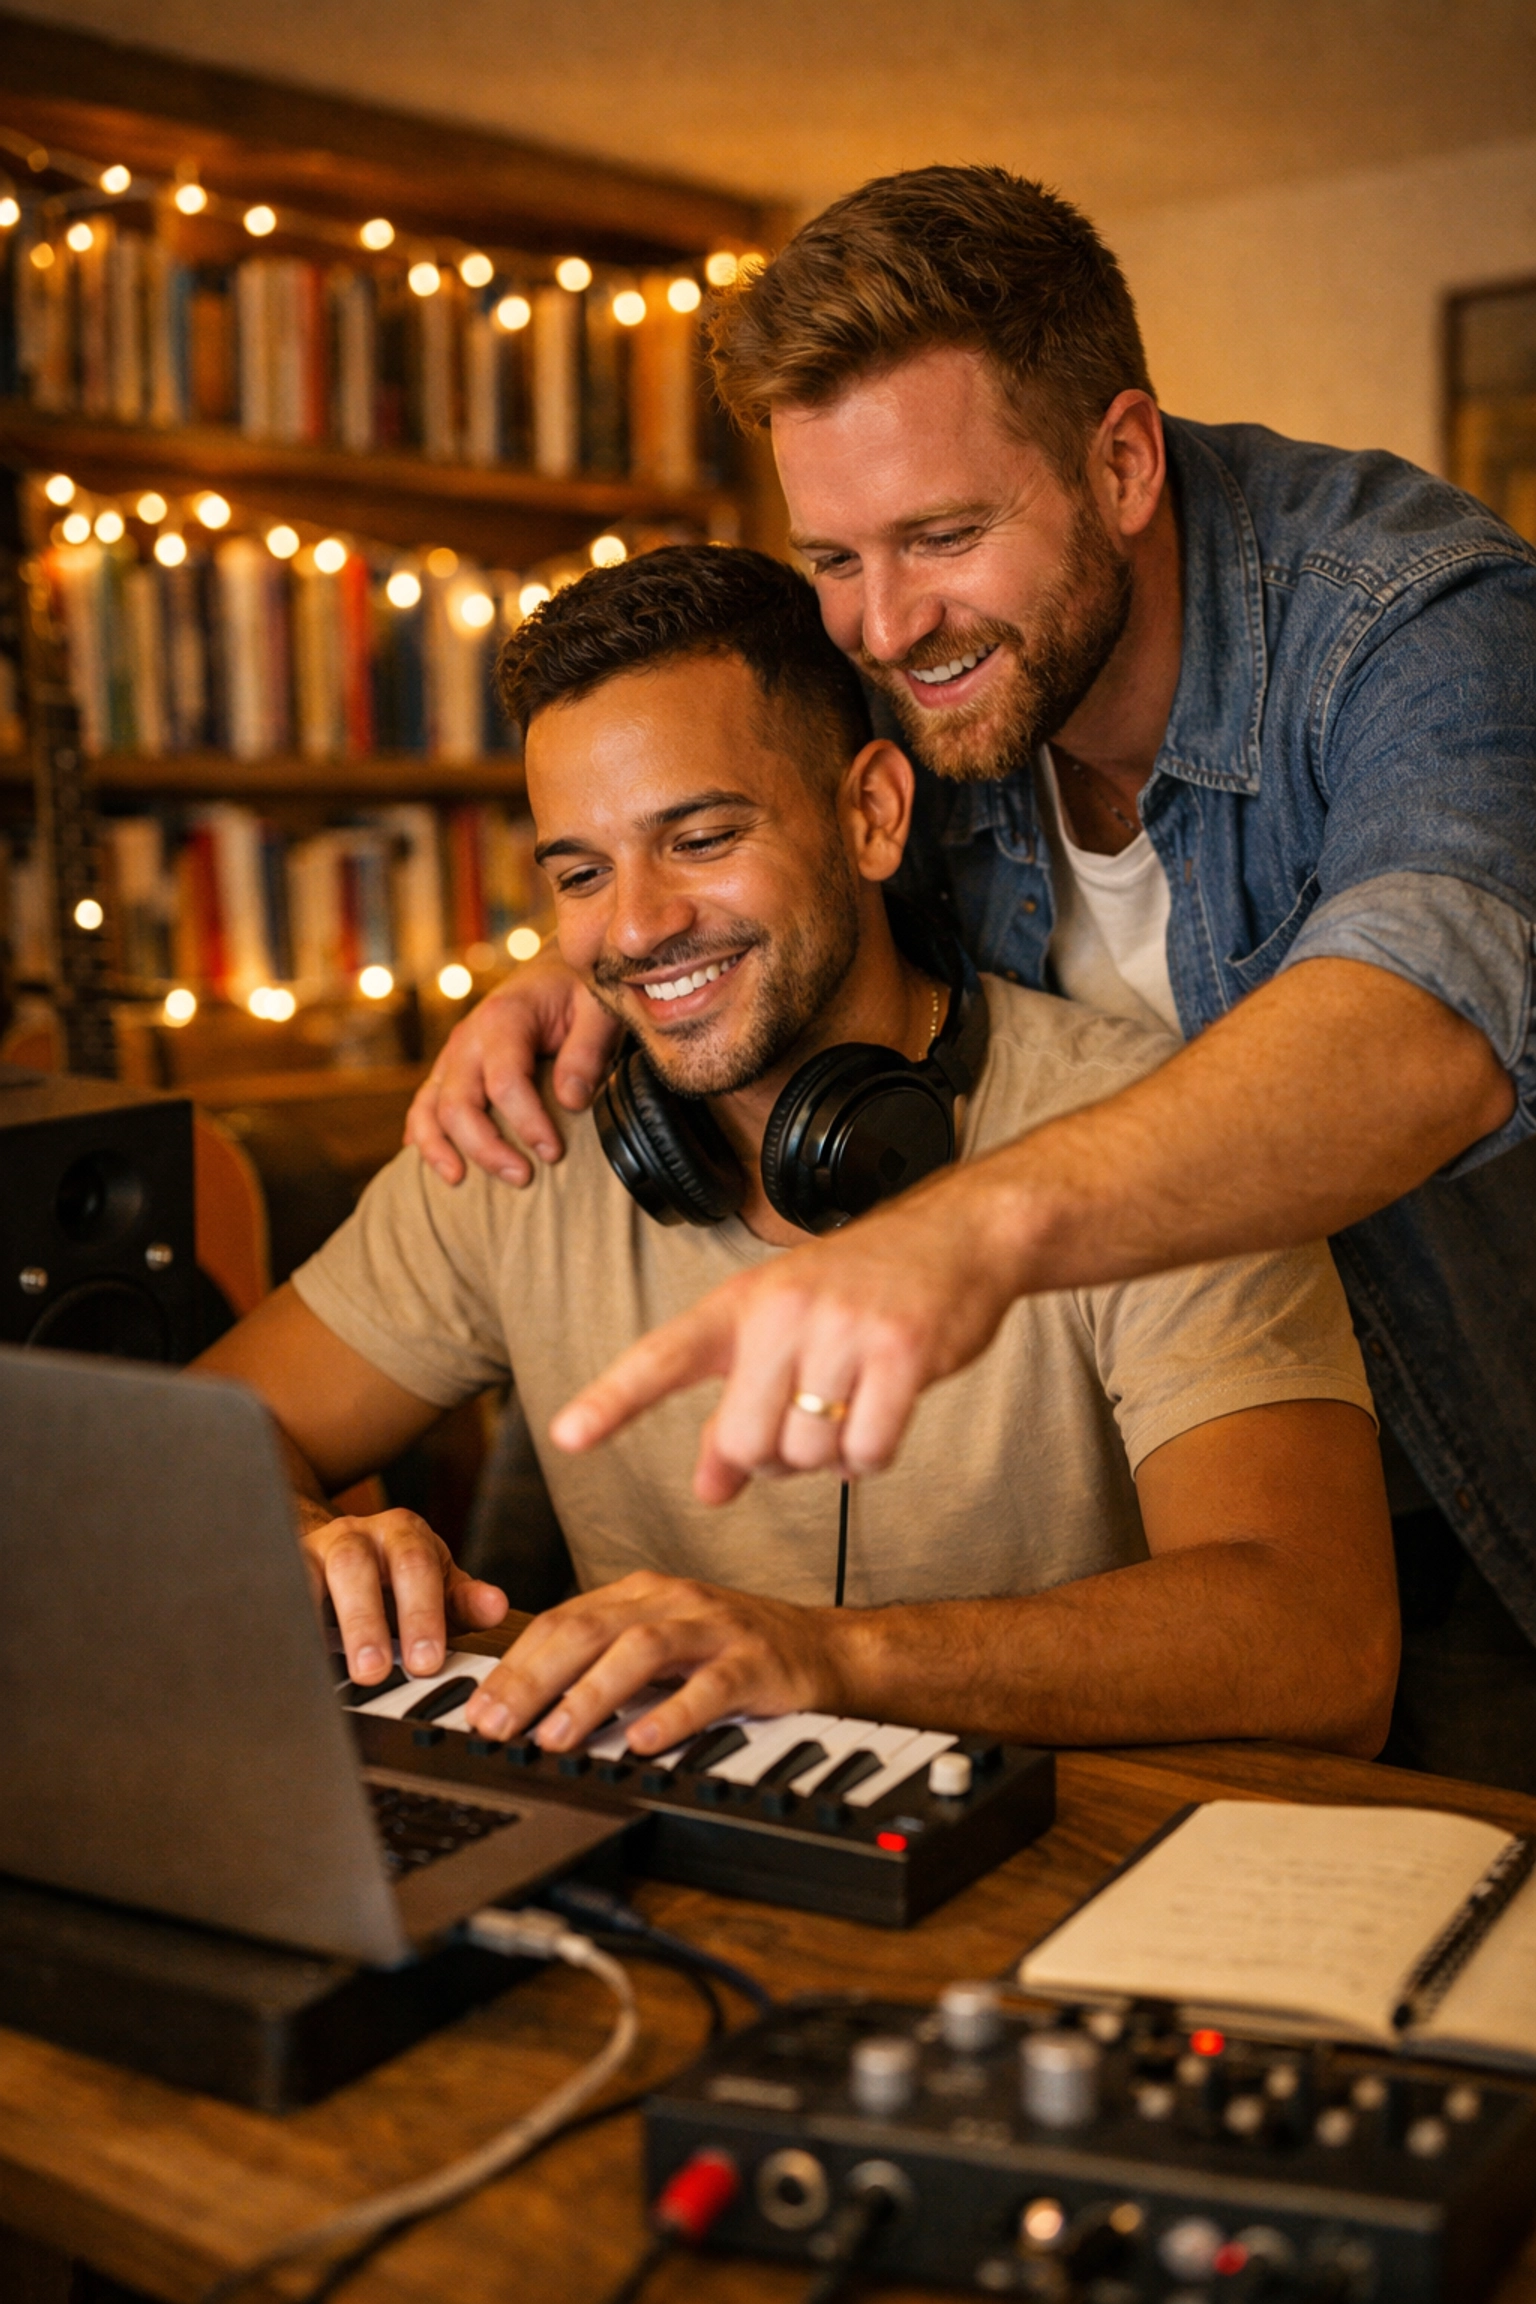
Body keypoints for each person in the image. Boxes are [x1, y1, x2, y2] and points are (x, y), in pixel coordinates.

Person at [405, 166, 1536, 1792]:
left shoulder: (1424, 623)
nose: (881, 622)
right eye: (835, 557)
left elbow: (1427, 1029)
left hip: (1492, 1492)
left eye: (940, 535)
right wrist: (591, 954)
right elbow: (765, 828)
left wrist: (968, 1225)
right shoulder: (942, 673)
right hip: (1213, 1498)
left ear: (1123, 460)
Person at [196, 546, 1395, 1763]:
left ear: (871, 814)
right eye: (581, 873)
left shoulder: (1153, 1127)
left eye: (702, 837)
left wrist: (828, 1658)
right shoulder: (523, 1140)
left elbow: (1322, 1643)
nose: (637, 926)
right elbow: (190, 1441)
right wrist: (303, 1538)